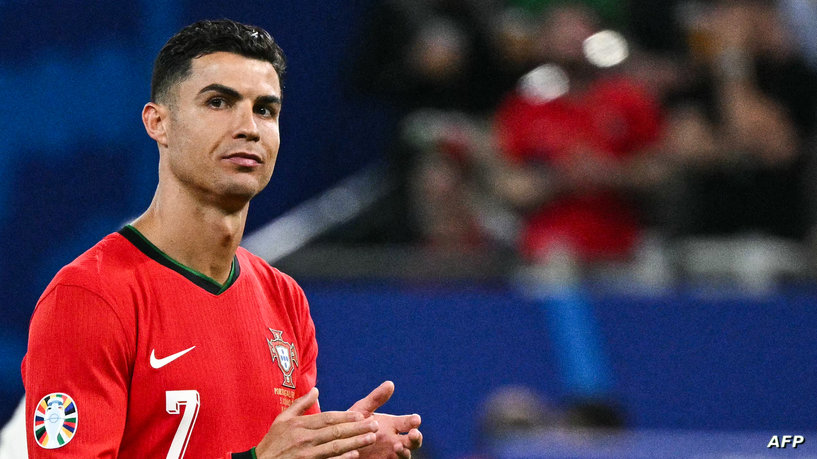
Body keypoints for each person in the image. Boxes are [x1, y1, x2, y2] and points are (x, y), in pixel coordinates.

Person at [21, 19, 422, 458]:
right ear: (158, 123)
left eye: (265, 110)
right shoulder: (89, 297)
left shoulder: (284, 299)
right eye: (218, 102)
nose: (249, 127)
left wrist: (344, 450)